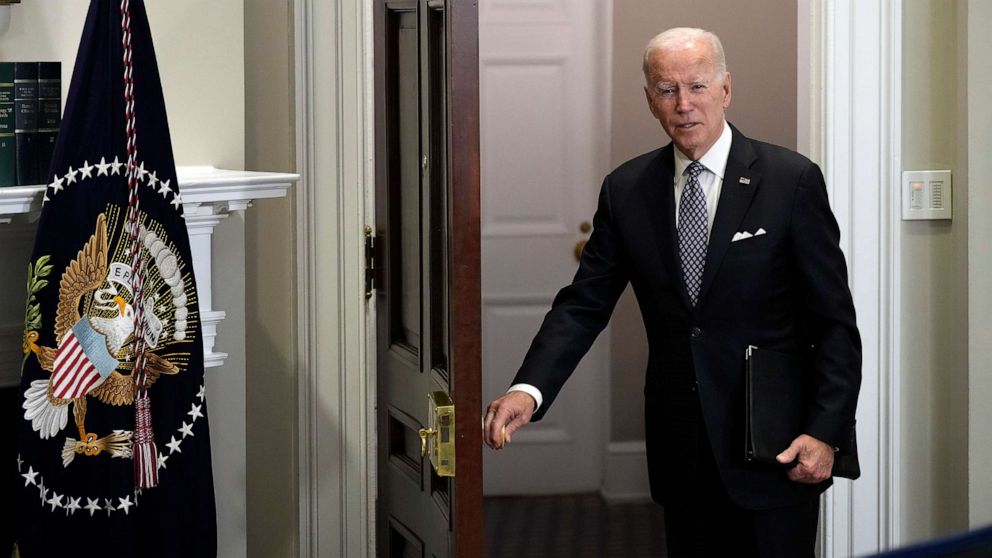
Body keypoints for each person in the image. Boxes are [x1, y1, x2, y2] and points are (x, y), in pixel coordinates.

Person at [482, 27, 861, 558]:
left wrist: (827, 432)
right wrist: (530, 389)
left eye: (697, 86)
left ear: (726, 89)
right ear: (649, 100)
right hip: (682, 448)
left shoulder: (790, 180)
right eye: (666, 90)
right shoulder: (627, 189)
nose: (684, 105)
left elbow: (834, 324)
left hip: (777, 444)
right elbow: (584, 304)